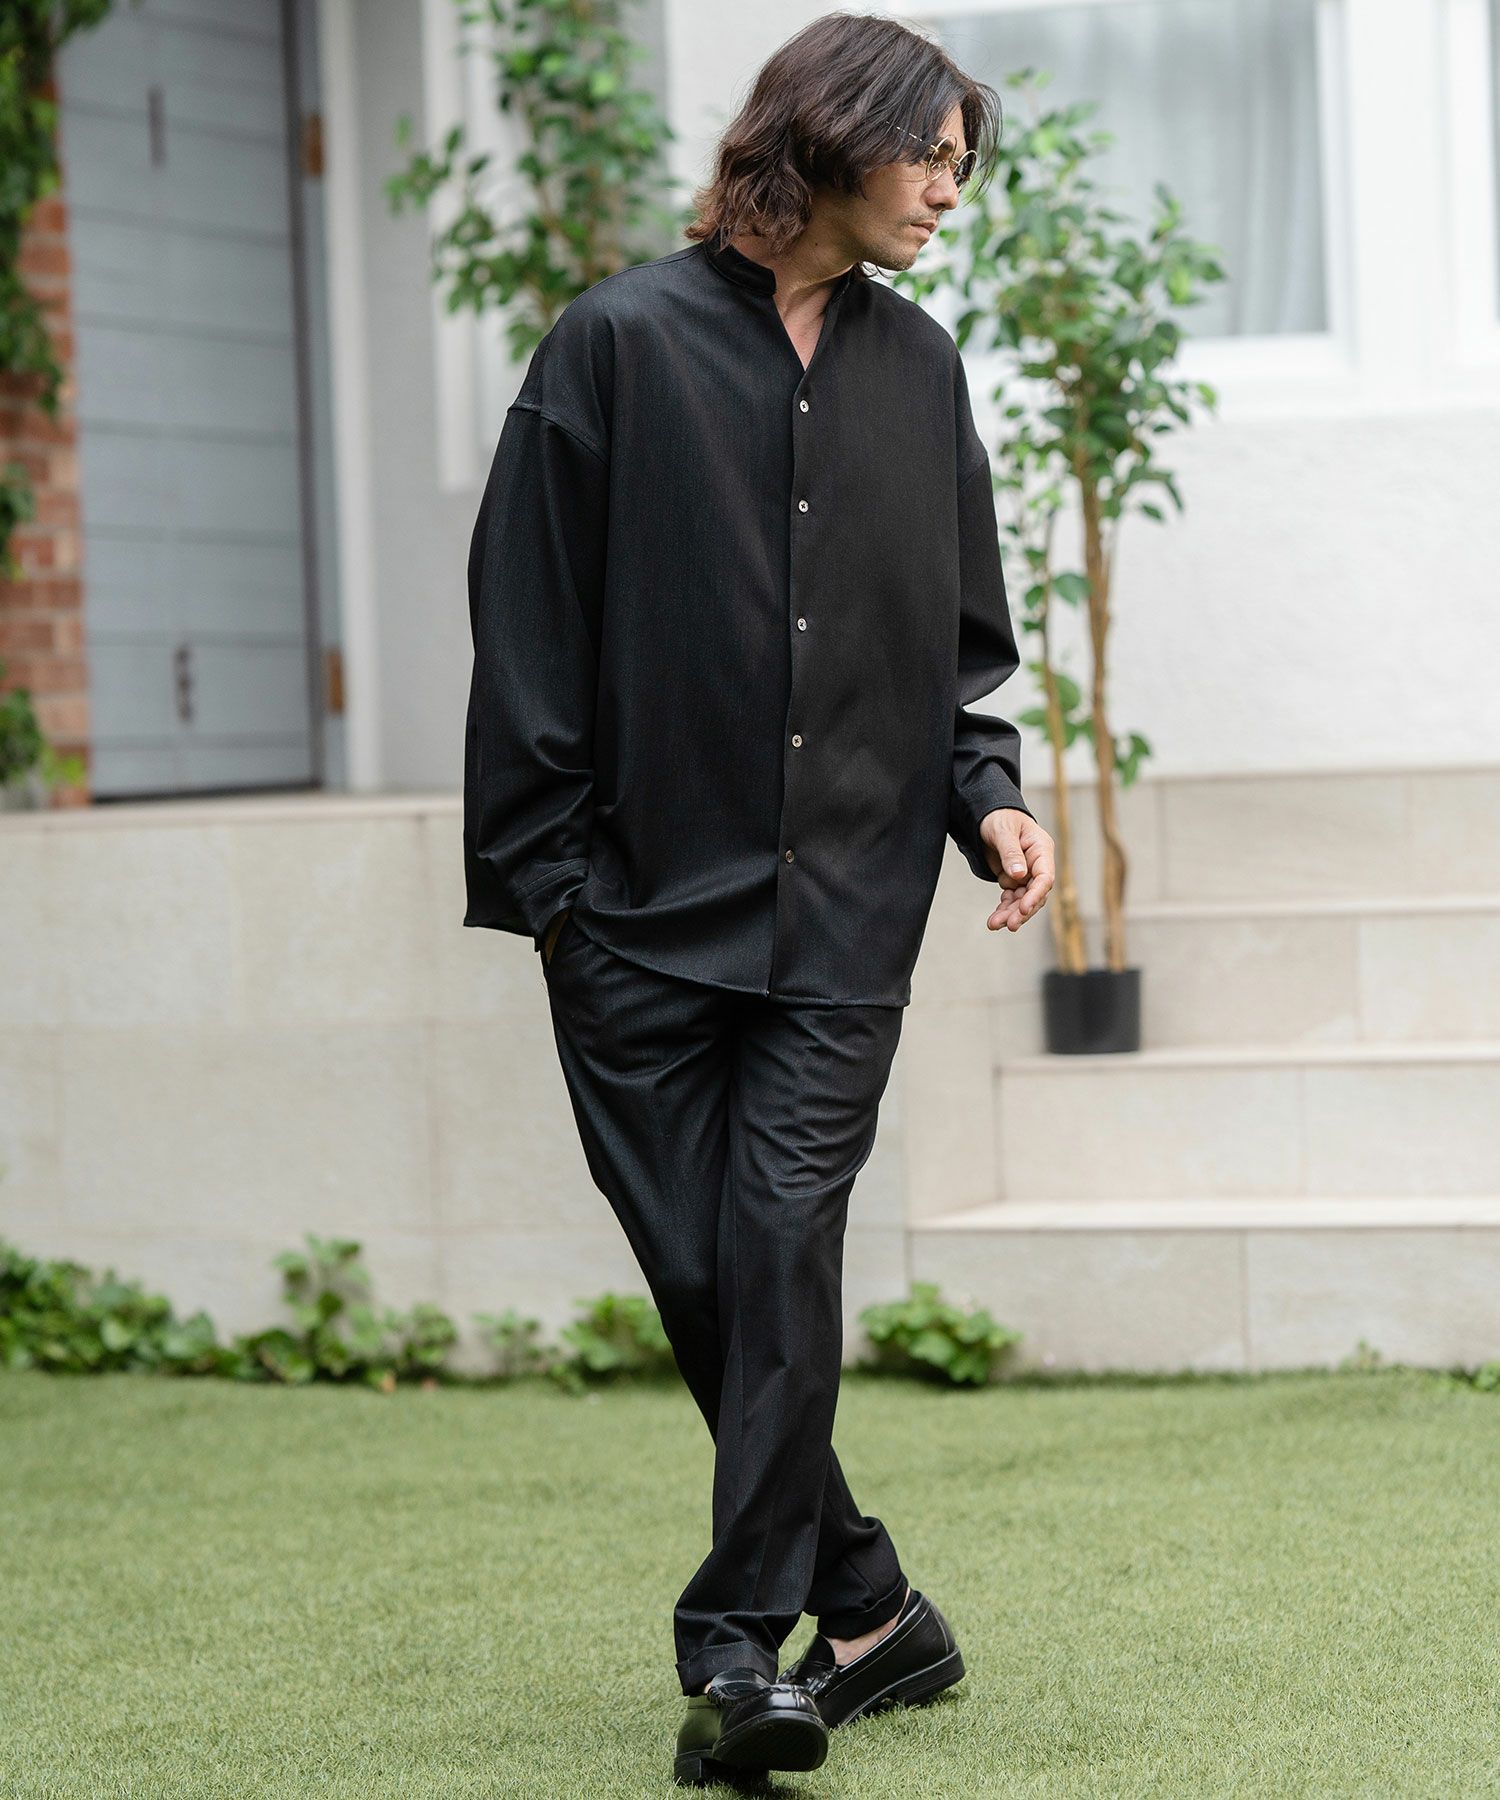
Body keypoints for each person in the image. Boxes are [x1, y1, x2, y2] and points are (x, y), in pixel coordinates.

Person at [461, 10, 1055, 1786]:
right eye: (930, 156)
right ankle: (869, 1605)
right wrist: (557, 894)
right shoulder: (615, 346)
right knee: (709, 1279)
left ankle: (739, 1650)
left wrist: (990, 798)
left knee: (782, 1243)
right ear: (833, 135)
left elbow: (951, 655)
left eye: (962, 167)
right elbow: (526, 628)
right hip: (632, 915)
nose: (949, 192)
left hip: (847, 910)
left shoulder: (922, 371)